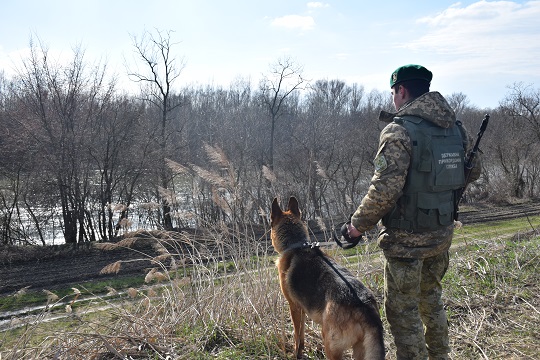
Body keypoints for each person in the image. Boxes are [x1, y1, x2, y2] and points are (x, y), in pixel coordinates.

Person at [347, 64, 481, 359]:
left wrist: (356, 226)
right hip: (441, 235)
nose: (393, 99)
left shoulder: (399, 131)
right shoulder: (455, 128)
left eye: (393, 92)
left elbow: (384, 190)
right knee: (431, 300)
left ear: (402, 90)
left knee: (402, 311)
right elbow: (472, 172)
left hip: (406, 243)